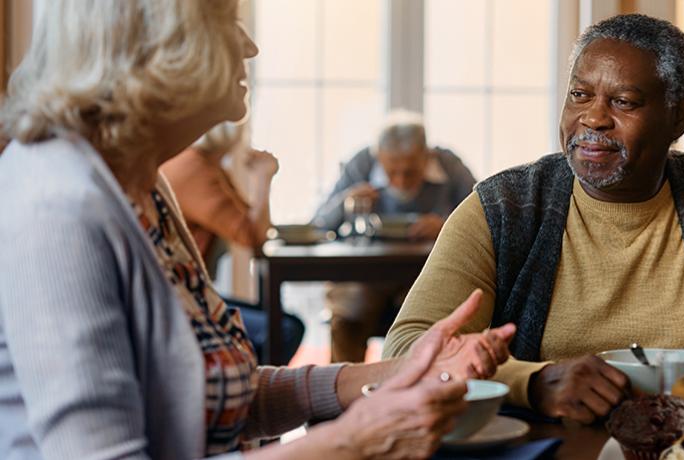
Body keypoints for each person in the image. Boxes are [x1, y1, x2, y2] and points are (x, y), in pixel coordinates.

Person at [0, 1, 515, 458]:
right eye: (224, 20)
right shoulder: (58, 206)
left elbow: (229, 399)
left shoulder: (141, 181)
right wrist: (351, 441)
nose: (249, 45)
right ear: (152, 39)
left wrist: (395, 372)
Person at [382, 14, 684, 424]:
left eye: (623, 102)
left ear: (678, 118)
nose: (593, 118)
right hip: (545, 445)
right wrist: (530, 382)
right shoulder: (504, 208)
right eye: (580, 95)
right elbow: (407, 349)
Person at [311, 112, 478, 363]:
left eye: (409, 172)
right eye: (391, 172)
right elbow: (320, 223)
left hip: (425, 272)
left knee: (427, 313)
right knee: (348, 313)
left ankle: (423, 389)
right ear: (379, 157)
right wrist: (347, 202)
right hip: (366, 276)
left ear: (426, 156)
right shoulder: (362, 164)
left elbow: (483, 217)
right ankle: (345, 392)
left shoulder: (449, 165)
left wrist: (448, 224)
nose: (400, 181)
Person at [161, 121, 306, 364]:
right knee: (284, 329)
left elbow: (253, 226)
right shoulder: (195, 170)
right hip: (177, 298)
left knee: (288, 323)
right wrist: (263, 177)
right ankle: (255, 397)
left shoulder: (205, 166)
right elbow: (252, 235)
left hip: (188, 290)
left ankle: (254, 392)